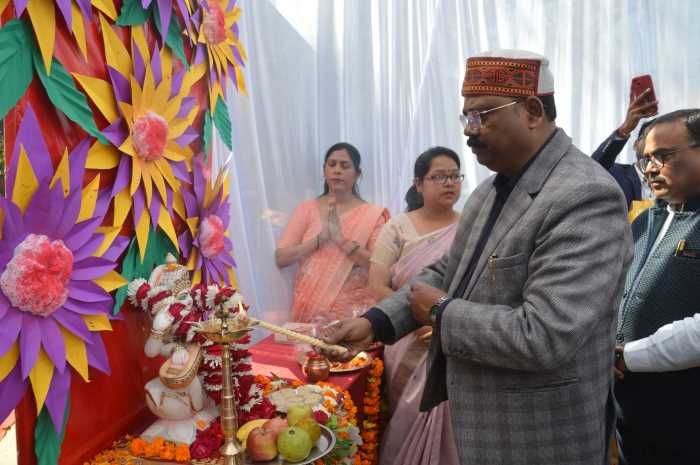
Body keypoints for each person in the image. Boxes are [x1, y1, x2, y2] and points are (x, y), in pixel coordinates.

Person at [321, 49, 633, 465]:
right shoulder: (489, 191)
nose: (470, 131)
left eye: (482, 115)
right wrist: (375, 322)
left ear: (533, 111)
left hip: (536, 435)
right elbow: (449, 270)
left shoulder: (584, 195)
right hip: (478, 423)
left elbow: (545, 334)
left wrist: (441, 313)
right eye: (466, 116)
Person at [614, 109, 700, 465]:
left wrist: (628, 357)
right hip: (631, 419)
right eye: (645, 159)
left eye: (662, 156)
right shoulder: (644, 220)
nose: (650, 169)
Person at [368, 146, 461, 465]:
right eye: (439, 177)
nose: (449, 183)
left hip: (453, 338)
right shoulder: (397, 227)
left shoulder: (469, 227)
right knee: (407, 417)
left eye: (455, 176)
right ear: (418, 184)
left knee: (451, 427)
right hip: (407, 339)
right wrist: (417, 320)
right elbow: (378, 286)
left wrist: (442, 320)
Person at [275, 142, 389, 323]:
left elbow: (380, 266)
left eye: (345, 166)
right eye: (332, 164)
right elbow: (281, 258)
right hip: (308, 308)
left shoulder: (372, 215)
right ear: (324, 170)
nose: (337, 170)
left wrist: (340, 240)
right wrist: (320, 240)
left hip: (353, 314)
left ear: (357, 174)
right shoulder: (307, 209)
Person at [592, 90, 658, 209]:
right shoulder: (614, 174)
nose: (654, 143)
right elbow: (591, 169)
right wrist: (624, 130)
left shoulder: (673, 180)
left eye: (659, 138)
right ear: (635, 144)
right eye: (649, 136)